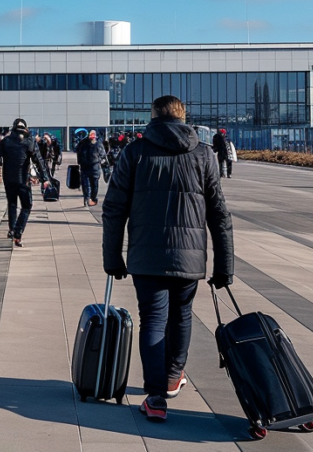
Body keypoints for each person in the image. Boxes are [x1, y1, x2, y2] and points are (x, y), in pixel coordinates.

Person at [101, 95, 234, 423]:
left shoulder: (135, 152)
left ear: (153, 117)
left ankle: (156, 397)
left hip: (146, 256)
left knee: (153, 320)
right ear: (183, 117)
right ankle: (174, 377)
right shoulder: (204, 154)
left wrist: (112, 258)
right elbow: (219, 215)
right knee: (182, 317)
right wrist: (224, 266)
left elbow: (114, 209)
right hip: (189, 258)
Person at [0, 118, 49, 248]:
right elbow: (39, 161)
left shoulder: (6, 141)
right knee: (27, 206)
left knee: (11, 203)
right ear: (25, 129)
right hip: (23, 179)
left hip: (8, 178)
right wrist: (45, 179)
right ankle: (18, 232)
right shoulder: (29, 141)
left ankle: (12, 229)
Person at [75, 130, 105, 207]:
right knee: (90, 185)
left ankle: (90, 198)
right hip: (90, 167)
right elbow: (103, 155)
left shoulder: (85, 143)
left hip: (91, 167)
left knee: (90, 185)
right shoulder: (94, 144)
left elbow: (103, 155)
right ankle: (89, 199)